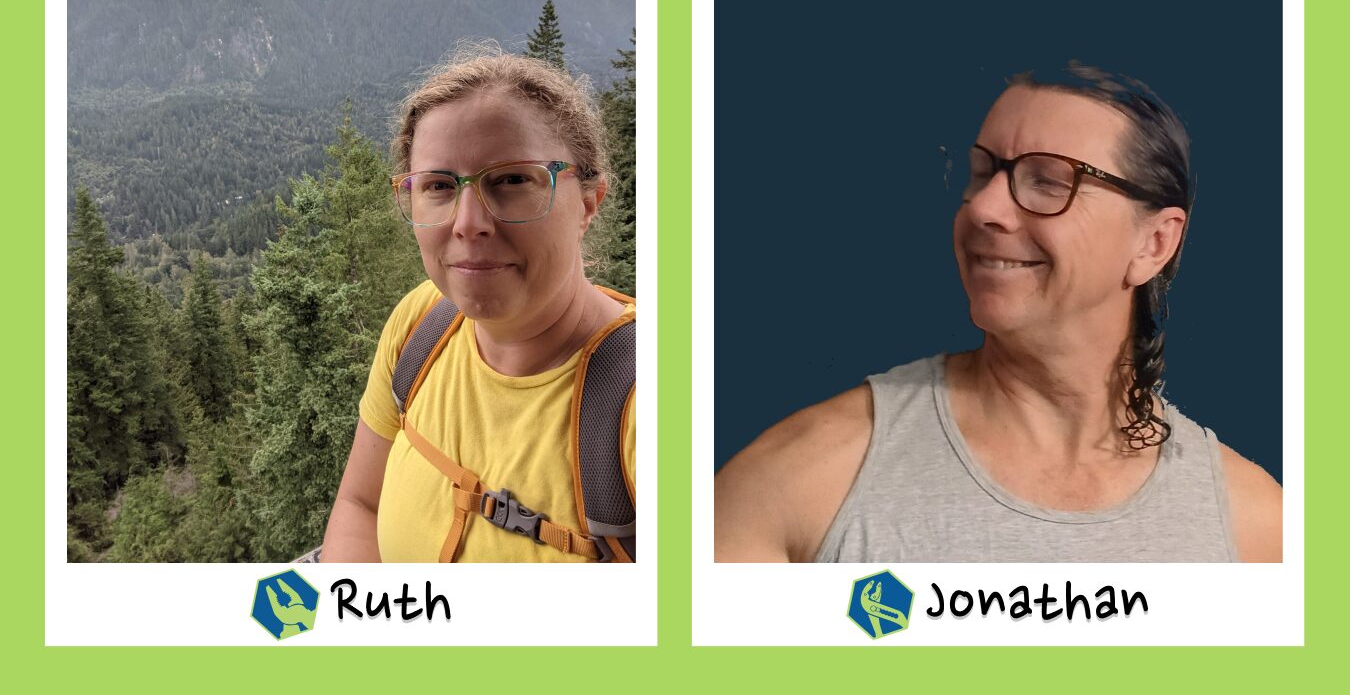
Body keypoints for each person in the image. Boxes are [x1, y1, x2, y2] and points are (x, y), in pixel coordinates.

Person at [715, 65, 1282, 563]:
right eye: (982, 172)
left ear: (1154, 244)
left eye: (1049, 181)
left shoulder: (1260, 533)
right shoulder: (794, 484)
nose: (983, 207)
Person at [321, 47, 635, 562]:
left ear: (587, 202)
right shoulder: (421, 324)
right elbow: (361, 505)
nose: (469, 222)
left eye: (512, 180)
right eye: (440, 186)